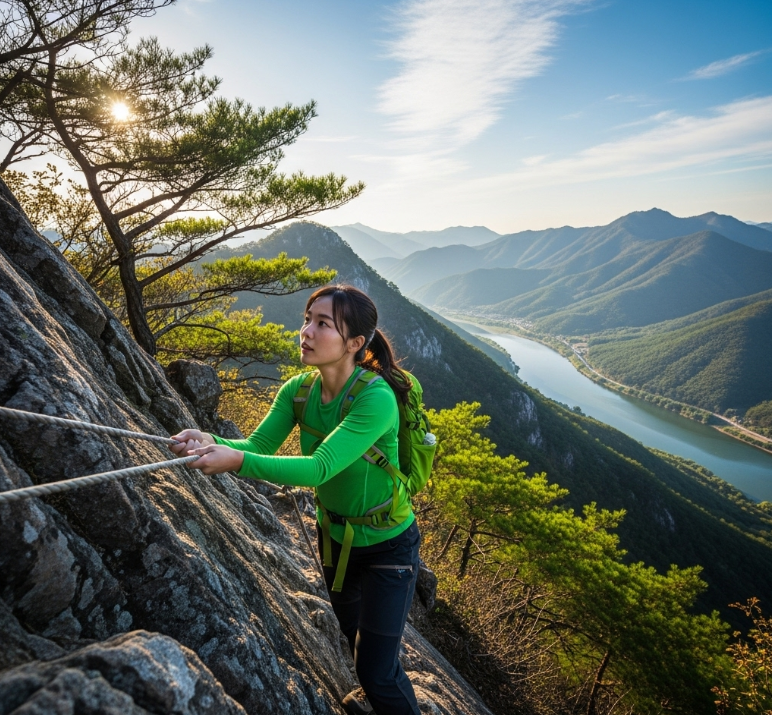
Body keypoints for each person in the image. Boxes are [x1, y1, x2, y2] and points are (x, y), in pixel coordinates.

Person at [171, 284, 422, 715]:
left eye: (323, 324)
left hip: (388, 546)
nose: (306, 331)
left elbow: (320, 467)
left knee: (379, 671)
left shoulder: (375, 398)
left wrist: (235, 462)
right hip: (336, 539)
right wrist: (208, 439)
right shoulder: (298, 391)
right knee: (354, 638)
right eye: (308, 319)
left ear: (355, 344)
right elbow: (258, 444)